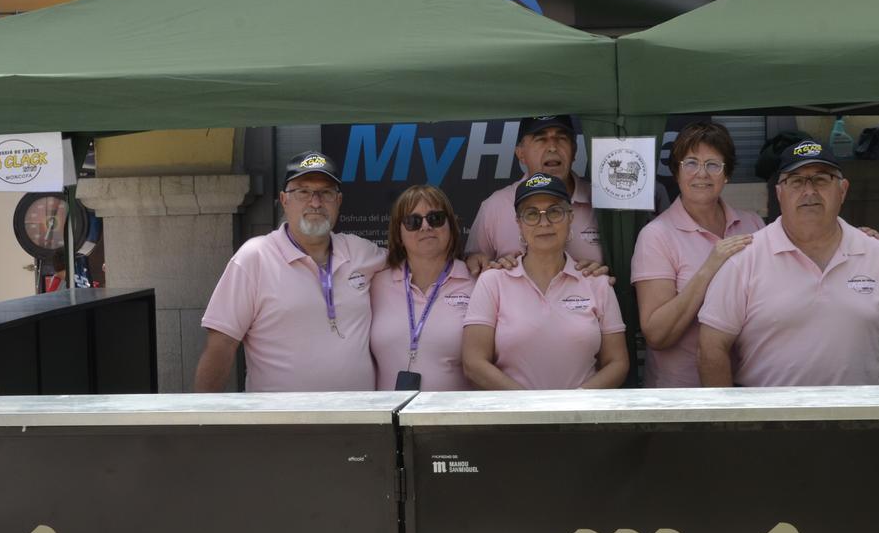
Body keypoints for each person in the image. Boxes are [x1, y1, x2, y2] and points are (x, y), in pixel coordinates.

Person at [698, 139, 879, 387]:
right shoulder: (745, 260)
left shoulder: (878, 254)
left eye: (821, 180)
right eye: (796, 181)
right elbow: (711, 347)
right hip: (771, 425)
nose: (809, 191)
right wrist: (736, 422)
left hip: (862, 424)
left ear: (842, 190)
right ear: (780, 193)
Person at [195, 151, 385, 392]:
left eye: (325, 193)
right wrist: (205, 421)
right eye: (303, 192)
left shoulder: (360, 251)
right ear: (284, 200)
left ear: (338, 201)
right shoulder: (255, 257)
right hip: (282, 425)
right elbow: (220, 345)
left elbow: (413, 264)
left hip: (359, 420)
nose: (315, 202)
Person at [462, 173, 628, 390]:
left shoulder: (597, 283)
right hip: (513, 417)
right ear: (519, 224)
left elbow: (618, 363)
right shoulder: (492, 282)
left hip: (579, 419)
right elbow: (473, 363)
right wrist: (530, 406)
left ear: (570, 217)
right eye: (531, 214)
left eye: (555, 212)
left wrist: (574, 406)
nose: (544, 222)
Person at [631, 122, 764, 388]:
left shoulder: (754, 225)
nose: (701, 174)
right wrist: (710, 266)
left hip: (751, 387)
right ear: (676, 173)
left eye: (713, 164)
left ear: (726, 175)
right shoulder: (656, 235)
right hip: (681, 395)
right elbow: (657, 334)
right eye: (691, 163)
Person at [464, 115, 602, 274]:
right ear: (520, 153)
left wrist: (602, 279)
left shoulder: (601, 201)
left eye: (561, 138)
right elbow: (473, 265)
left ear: (574, 150)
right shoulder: (496, 205)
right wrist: (474, 261)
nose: (552, 147)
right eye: (541, 139)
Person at [370, 185, 474, 391]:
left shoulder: (477, 283)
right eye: (413, 222)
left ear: (451, 225)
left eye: (435, 218)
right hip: (391, 419)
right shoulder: (375, 283)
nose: (425, 227)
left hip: (455, 418)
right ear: (398, 234)